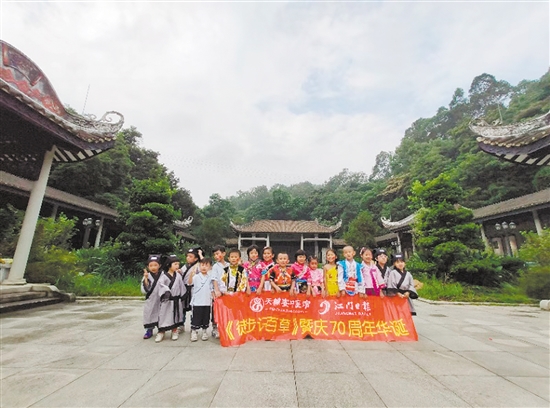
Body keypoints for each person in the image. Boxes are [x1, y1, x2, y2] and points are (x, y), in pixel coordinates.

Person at [156, 254, 186, 342]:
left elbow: (181, 286)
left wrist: (182, 296)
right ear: (169, 265)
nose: (177, 266)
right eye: (175, 264)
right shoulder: (164, 276)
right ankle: (161, 332)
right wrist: (166, 292)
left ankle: (174, 331)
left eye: (178, 264)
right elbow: (161, 286)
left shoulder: (178, 275)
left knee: (175, 316)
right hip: (167, 300)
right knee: (164, 316)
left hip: (176, 300)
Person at [178, 247, 203, 332]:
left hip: (193, 289)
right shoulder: (185, 266)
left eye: (190, 256)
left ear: (196, 258)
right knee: (182, 308)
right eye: (187, 256)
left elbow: (205, 265)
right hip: (184, 289)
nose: (188, 258)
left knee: (194, 308)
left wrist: (200, 255)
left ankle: (194, 326)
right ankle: (181, 324)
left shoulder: (198, 266)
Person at [190, 257, 214, 341]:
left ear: (210, 267)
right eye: (202, 265)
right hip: (197, 302)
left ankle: (204, 331)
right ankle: (194, 331)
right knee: (196, 317)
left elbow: (212, 288)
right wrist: (191, 274)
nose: (204, 267)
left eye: (206, 265)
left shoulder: (210, 277)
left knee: (206, 317)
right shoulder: (196, 277)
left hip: (207, 301)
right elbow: (189, 283)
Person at [141, 254, 162, 339]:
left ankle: (161, 330)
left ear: (159, 265)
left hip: (160, 299)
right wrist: (146, 278)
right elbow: (144, 290)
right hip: (151, 299)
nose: (153, 267)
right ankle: (149, 330)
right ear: (148, 266)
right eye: (151, 265)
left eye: (155, 265)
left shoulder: (163, 275)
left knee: (161, 314)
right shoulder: (147, 276)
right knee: (149, 314)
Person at [210, 245, 228, 339]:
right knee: (216, 310)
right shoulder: (215, 266)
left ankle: (225, 327)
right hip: (219, 292)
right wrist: (216, 290)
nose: (216, 256)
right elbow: (214, 279)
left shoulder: (229, 265)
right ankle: (215, 327)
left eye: (218, 254)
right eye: (214, 255)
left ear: (224, 253)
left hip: (227, 291)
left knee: (226, 310)